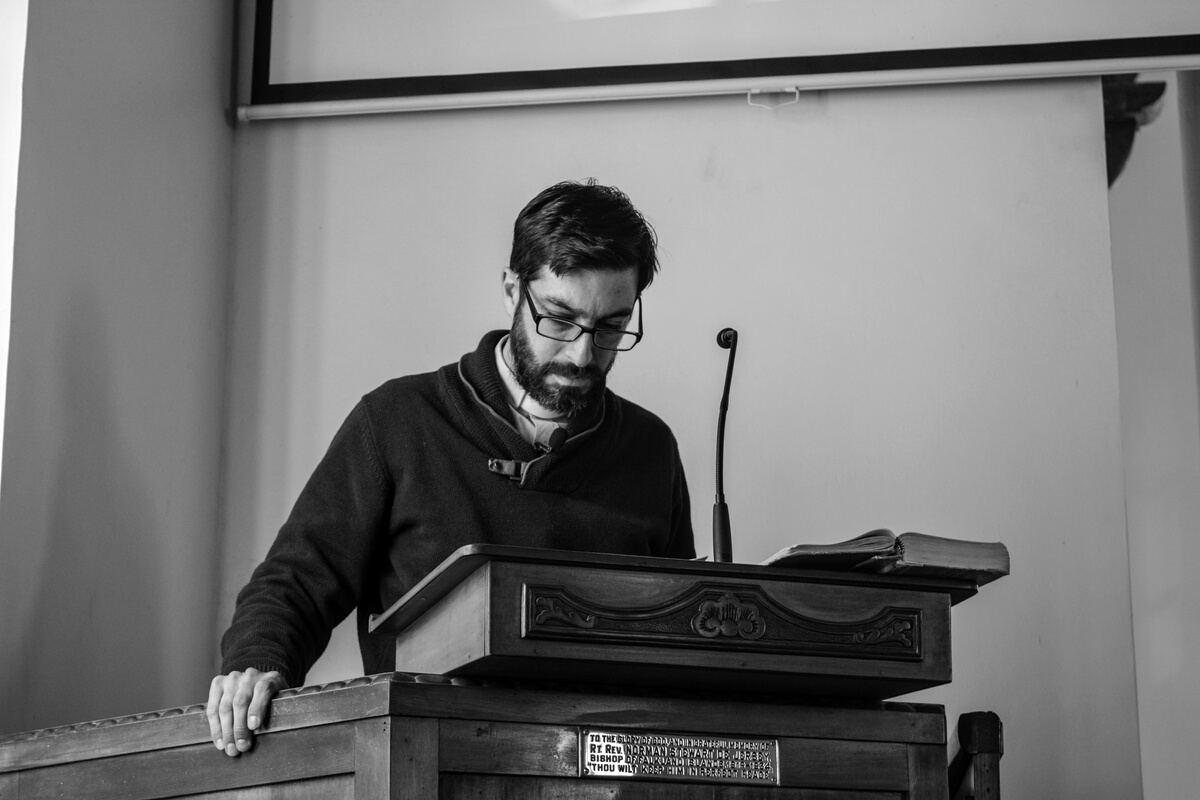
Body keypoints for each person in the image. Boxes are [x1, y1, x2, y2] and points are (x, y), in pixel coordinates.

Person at [207, 180, 696, 757]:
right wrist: (257, 665)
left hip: (606, 771)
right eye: (559, 320)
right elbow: (297, 581)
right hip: (423, 761)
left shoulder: (651, 449)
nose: (583, 354)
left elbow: (681, 635)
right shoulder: (395, 422)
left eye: (612, 326)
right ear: (512, 288)